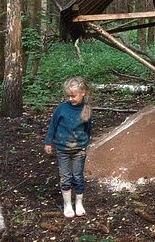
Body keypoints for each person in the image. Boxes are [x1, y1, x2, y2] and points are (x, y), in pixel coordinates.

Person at [44, 77, 92, 218]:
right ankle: (67, 204)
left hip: (79, 150)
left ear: (83, 92)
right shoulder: (61, 109)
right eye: (68, 95)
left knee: (78, 176)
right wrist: (48, 141)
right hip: (62, 149)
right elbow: (53, 125)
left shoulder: (86, 110)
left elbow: (88, 129)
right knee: (65, 177)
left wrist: (85, 144)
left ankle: (78, 202)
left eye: (73, 95)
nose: (70, 98)